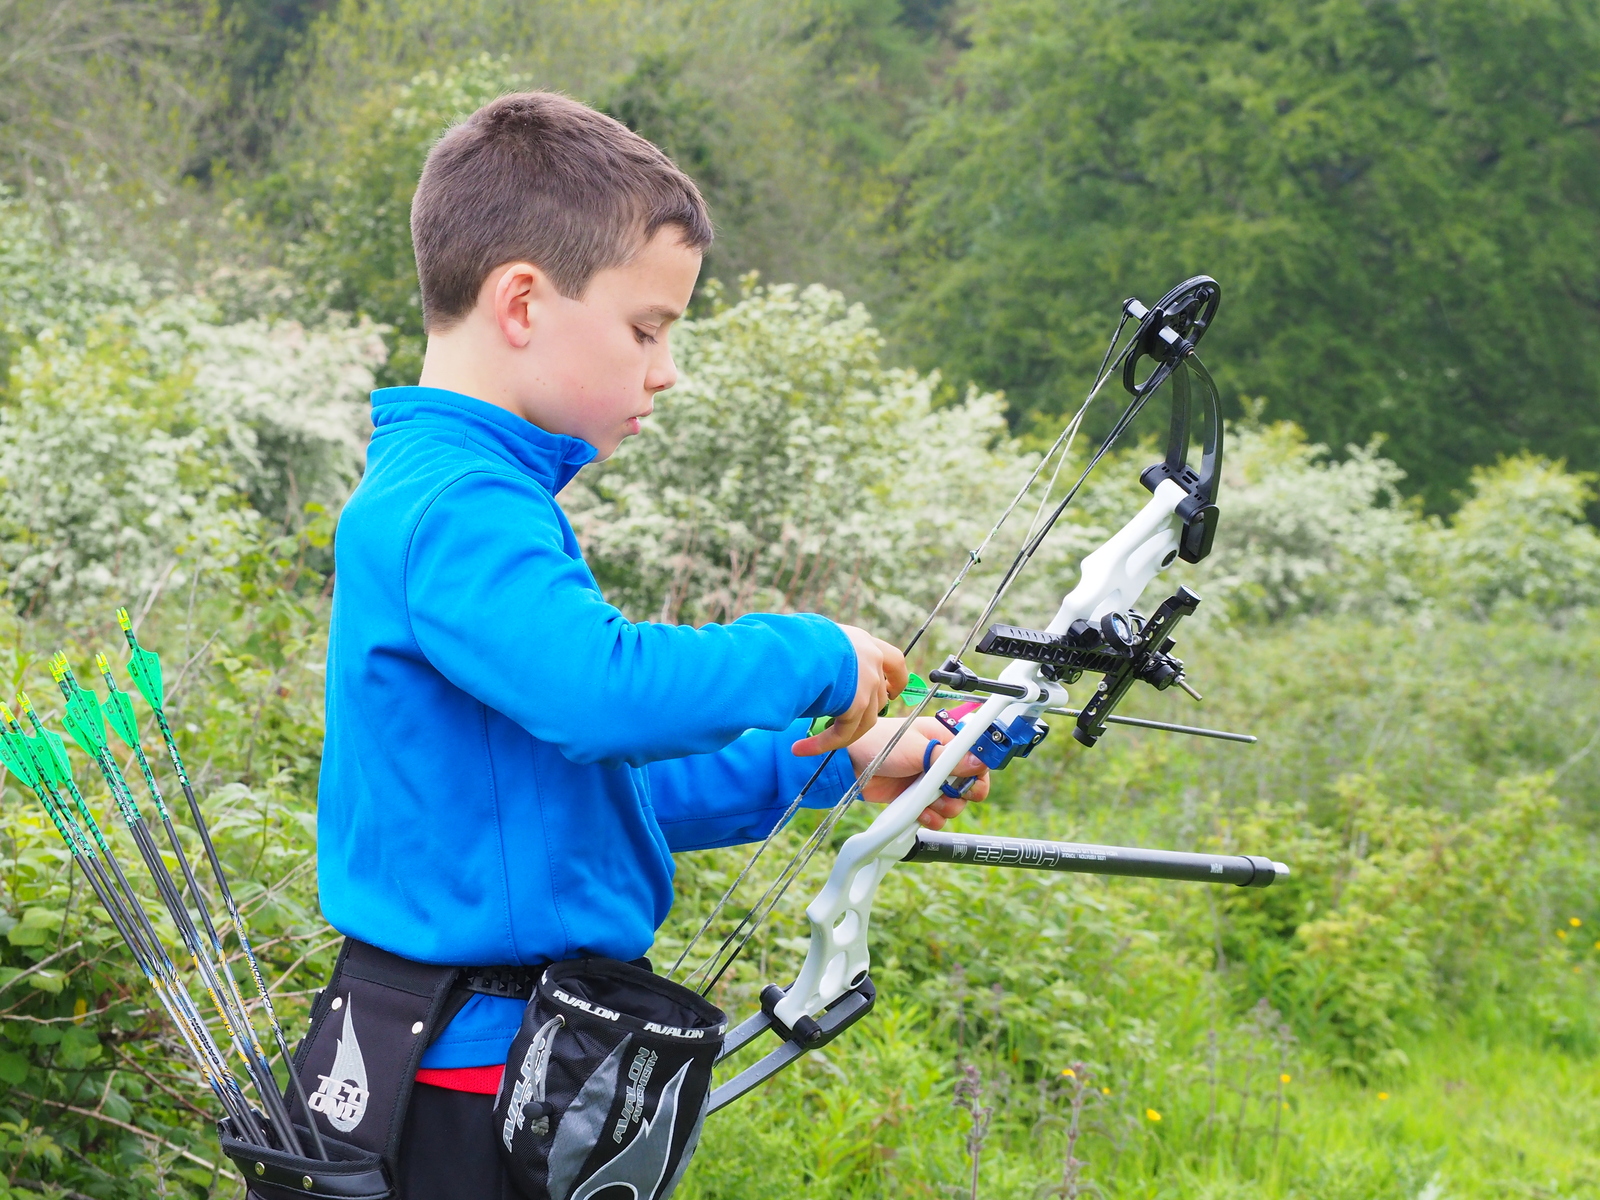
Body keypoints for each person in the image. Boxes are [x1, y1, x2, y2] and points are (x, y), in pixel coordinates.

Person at [309, 91, 989, 1198]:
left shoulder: (471, 498)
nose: (664, 369)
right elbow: (599, 696)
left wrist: (837, 760)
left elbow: (570, 795)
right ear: (521, 302)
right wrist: (812, 654)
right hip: (468, 1085)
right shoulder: (457, 505)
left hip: (499, 1068)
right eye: (646, 329)